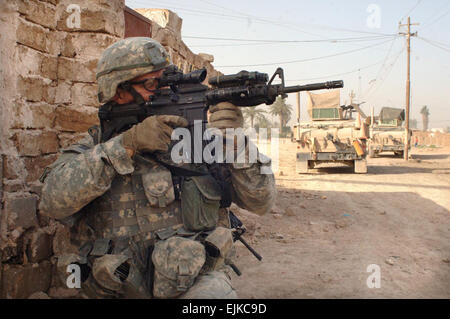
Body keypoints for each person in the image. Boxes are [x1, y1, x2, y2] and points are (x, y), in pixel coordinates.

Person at [38, 37, 276, 299]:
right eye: (152, 83)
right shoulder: (93, 148)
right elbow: (52, 202)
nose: (164, 90)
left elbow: (261, 202)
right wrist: (127, 144)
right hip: (114, 287)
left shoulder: (200, 142)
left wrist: (237, 144)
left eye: (165, 81)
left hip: (193, 283)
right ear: (119, 91)